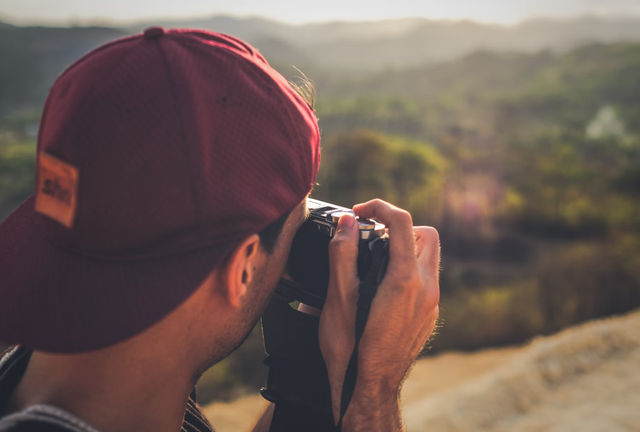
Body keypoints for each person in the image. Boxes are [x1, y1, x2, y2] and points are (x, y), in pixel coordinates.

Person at [0, 27, 440, 432]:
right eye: (299, 223)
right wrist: (370, 398)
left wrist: (315, 381)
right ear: (243, 267)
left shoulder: (46, 380)